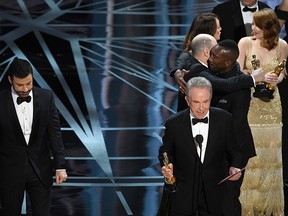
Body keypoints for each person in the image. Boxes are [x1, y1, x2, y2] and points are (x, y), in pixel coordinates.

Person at [159, 76, 242, 215]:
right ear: (187, 100)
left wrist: (235, 166)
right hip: (184, 190)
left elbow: (235, 150)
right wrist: (168, 165)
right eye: (196, 102)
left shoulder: (225, 119)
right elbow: (165, 152)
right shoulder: (174, 123)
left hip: (216, 191)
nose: (201, 108)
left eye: (206, 101)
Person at [0, 58, 68, 216]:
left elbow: (55, 134)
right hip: (8, 172)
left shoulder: (46, 98)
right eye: (20, 85)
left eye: (29, 83)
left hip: (40, 170)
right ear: (10, 80)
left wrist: (60, 166)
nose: (25, 89)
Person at [237, 8, 288, 215]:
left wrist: (276, 79)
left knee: (272, 153)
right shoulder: (245, 43)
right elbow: (238, 70)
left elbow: (282, 72)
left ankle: (270, 205)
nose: (253, 28)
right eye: (253, 24)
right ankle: (248, 206)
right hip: (250, 104)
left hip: (273, 106)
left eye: (257, 25)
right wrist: (255, 76)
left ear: (269, 27)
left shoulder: (282, 45)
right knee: (251, 154)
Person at [177, 33, 272, 112]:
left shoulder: (208, 66)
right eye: (214, 49)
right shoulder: (195, 69)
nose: (217, 49)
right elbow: (223, 85)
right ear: (206, 51)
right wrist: (252, 78)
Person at [169, 12, 222, 111]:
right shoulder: (190, 55)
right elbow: (180, 62)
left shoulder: (219, 53)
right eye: (218, 27)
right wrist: (177, 71)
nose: (220, 30)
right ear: (209, 30)